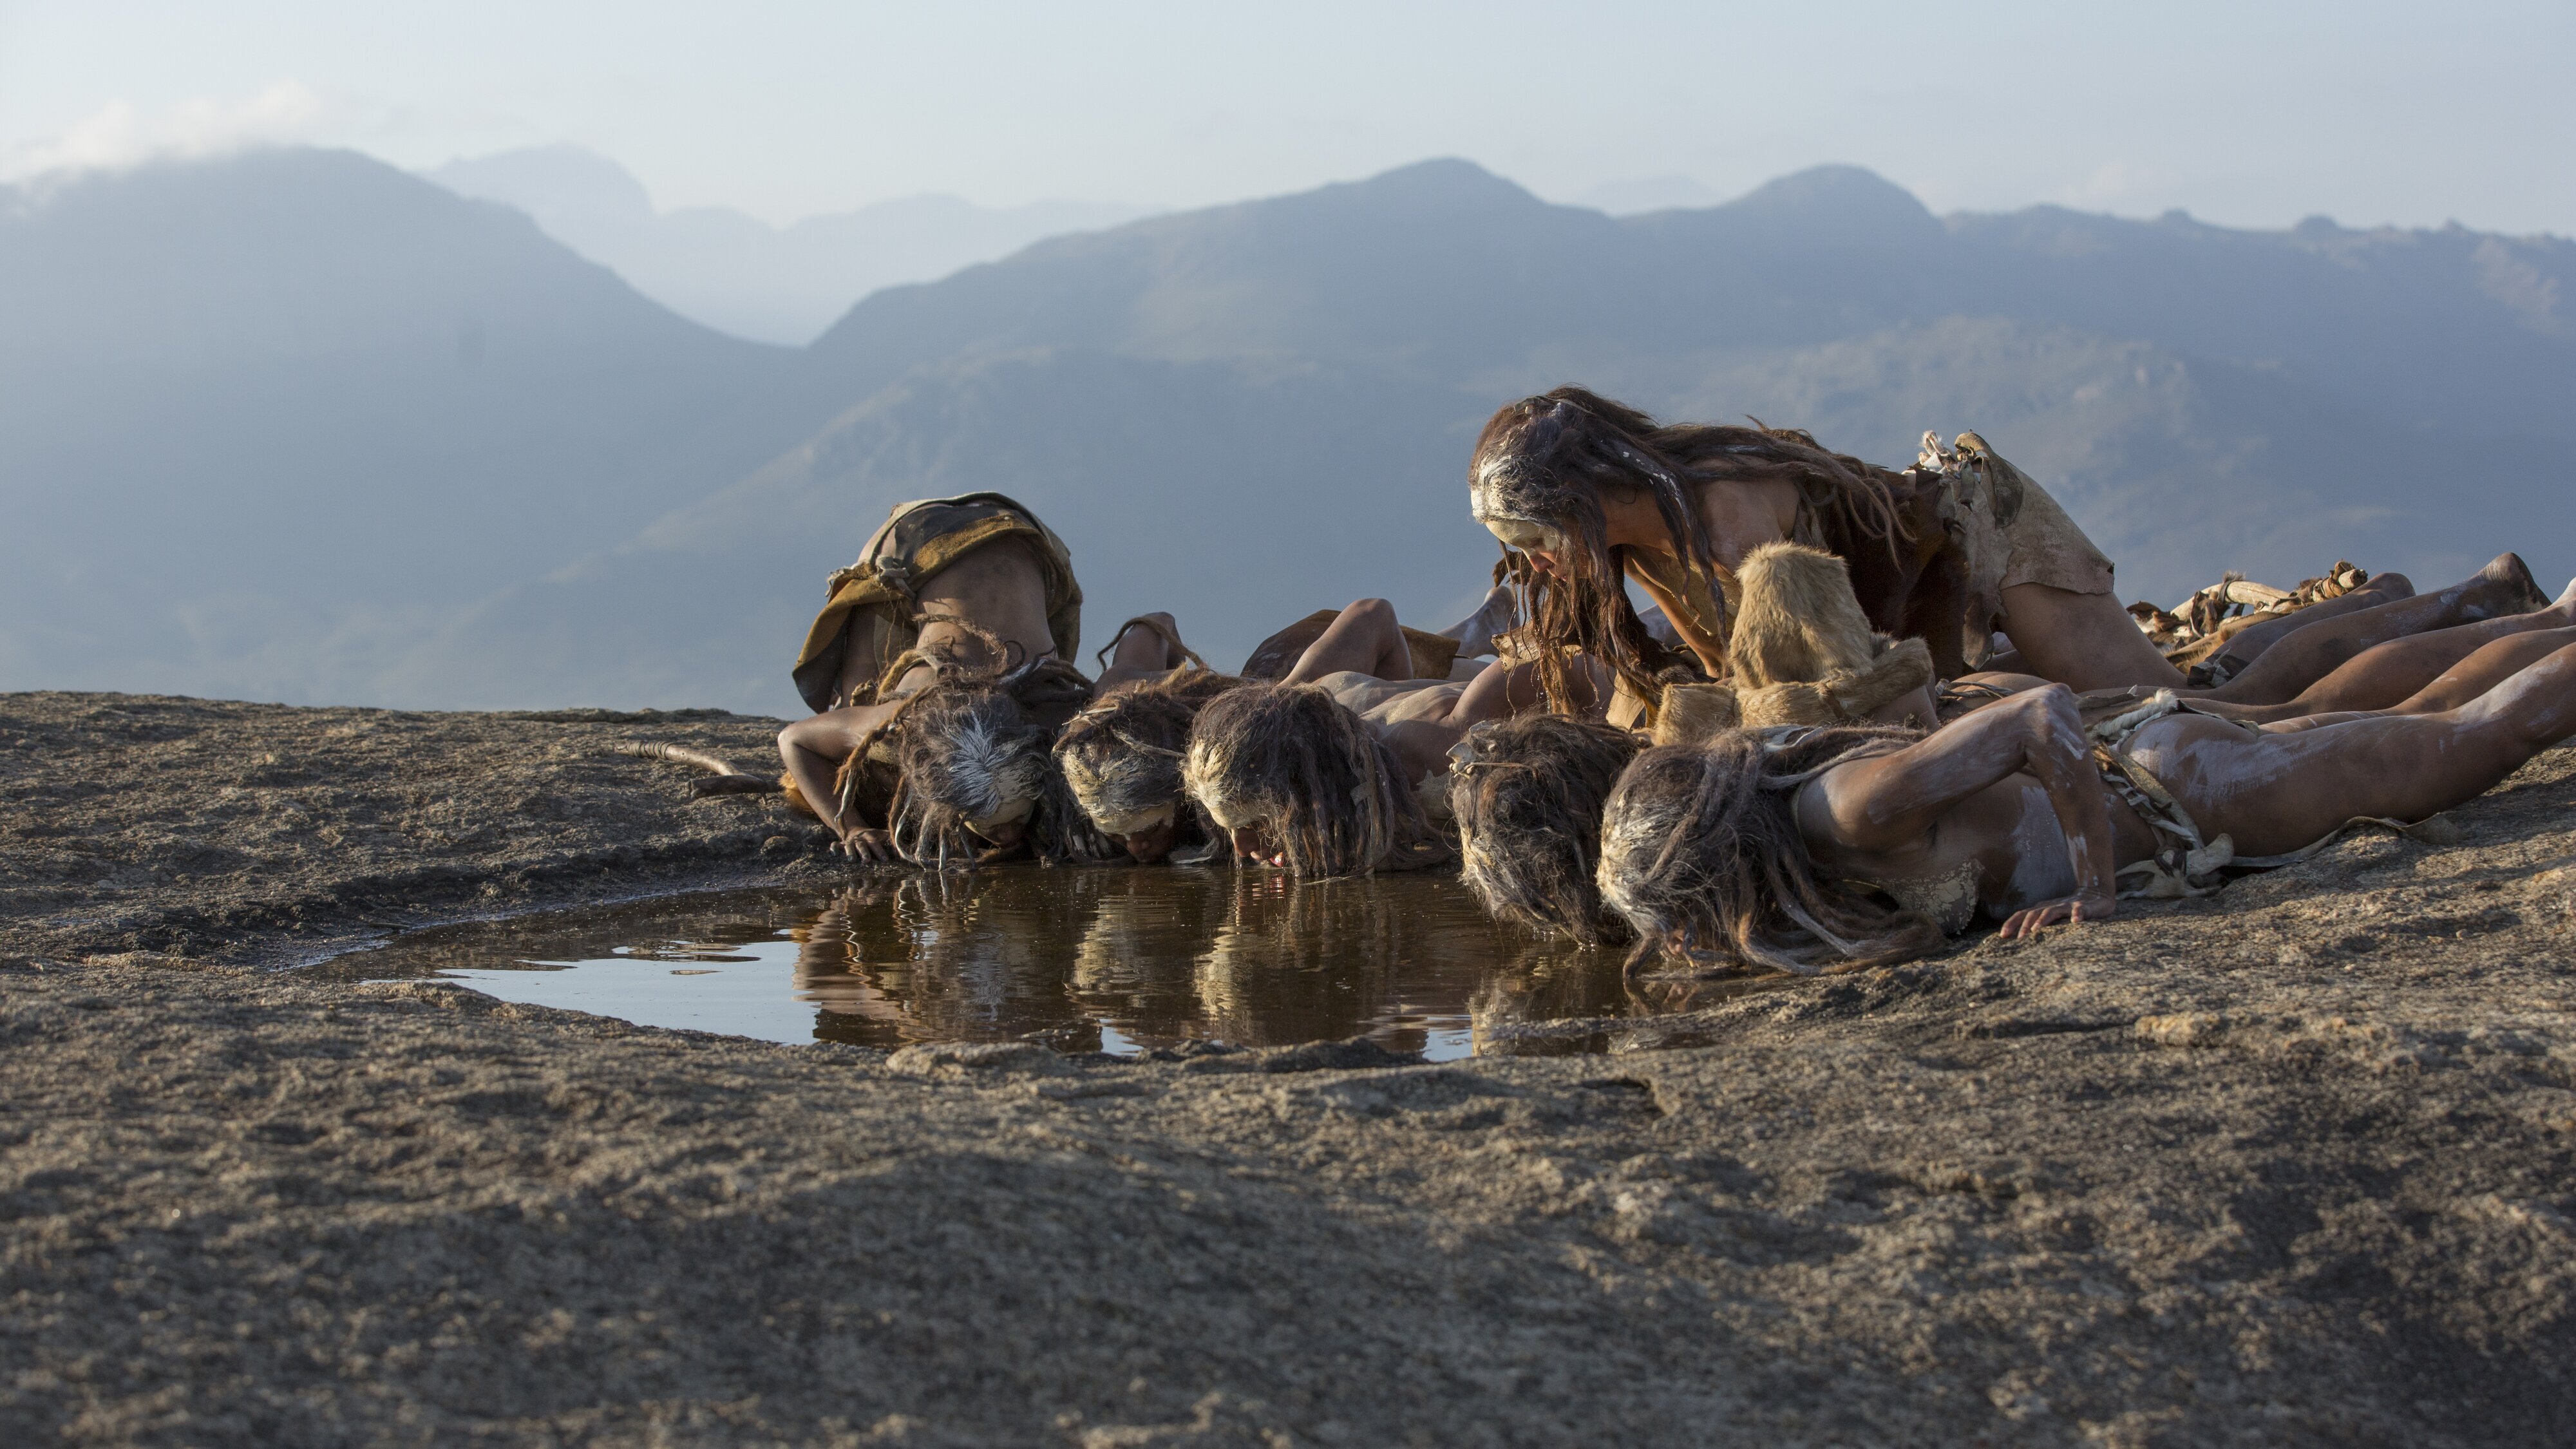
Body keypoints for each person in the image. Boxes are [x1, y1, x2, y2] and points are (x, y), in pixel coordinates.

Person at [1467, 387, 2547, 717]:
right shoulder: (1636, 545)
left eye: (1526, 537)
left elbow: (1841, 688)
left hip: (1986, 536)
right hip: (1927, 610)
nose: (1530, 563)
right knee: (2202, 688)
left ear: (1577, 498)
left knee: (2219, 714)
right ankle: (2455, 601)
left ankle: (2485, 617)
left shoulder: (1729, 515)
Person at [1594, 634, 2576, 976]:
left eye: (1683, 910)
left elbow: (2041, 713)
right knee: (2423, 718)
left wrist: (2098, 889)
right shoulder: (1796, 846)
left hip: (2199, 793)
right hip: (2173, 773)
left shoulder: (1850, 813)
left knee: (2485, 734)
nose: (1687, 934)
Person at [1182, 596, 1604, 875]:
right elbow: (1372, 615)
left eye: (1253, 823)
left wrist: (1603, 721)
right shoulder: (1295, 700)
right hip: (1404, 697)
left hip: (1479, 692)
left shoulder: (1430, 759)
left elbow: (1550, 660)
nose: (1239, 848)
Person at [775, 491, 1088, 862]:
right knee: (858, 715)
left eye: (1015, 817)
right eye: (991, 825)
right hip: (935, 539)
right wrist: (851, 827)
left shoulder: (1057, 716)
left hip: (1020, 540)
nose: (1009, 836)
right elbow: (793, 740)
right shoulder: (899, 724)